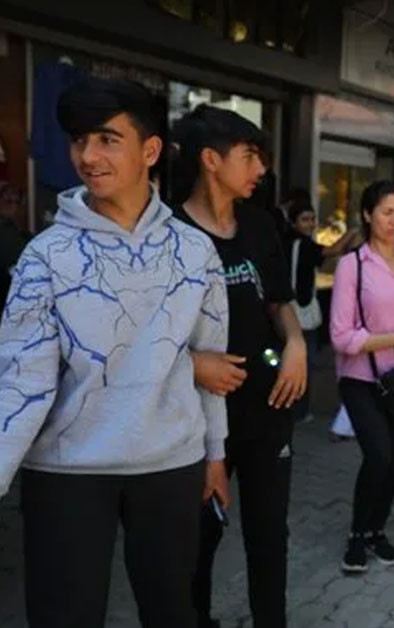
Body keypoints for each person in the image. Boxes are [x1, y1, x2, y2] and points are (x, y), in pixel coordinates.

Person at [0, 76, 229, 628]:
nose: (88, 156)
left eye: (107, 139)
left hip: (170, 465)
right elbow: (20, 380)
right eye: (79, 141)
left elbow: (211, 362)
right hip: (68, 472)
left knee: (172, 610)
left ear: (149, 151)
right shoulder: (45, 256)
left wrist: (215, 453)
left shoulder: (195, 252)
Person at [173, 105, 306, 628]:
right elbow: (145, 335)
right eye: (250, 156)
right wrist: (192, 363)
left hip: (268, 408)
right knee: (201, 534)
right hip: (200, 419)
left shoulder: (259, 223)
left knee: (270, 533)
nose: (260, 171)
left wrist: (295, 341)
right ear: (211, 159)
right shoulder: (172, 233)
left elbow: (278, 299)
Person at [329, 181, 394, 573]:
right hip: (361, 380)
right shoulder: (351, 265)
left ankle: (377, 531)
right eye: (386, 212)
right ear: (368, 214)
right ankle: (357, 535)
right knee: (378, 455)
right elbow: (341, 336)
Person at [285, 197, 358, 423]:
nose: (310, 224)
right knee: (304, 362)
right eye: (305, 219)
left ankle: (296, 409)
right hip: (299, 310)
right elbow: (332, 251)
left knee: (300, 360)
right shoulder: (302, 244)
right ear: (293, 222)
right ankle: (298, 411)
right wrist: (352, 232)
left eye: (312, 219)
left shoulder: (292, 242)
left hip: (291, 309)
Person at [0, 181, 30, 308]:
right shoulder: (6, 233)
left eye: (17, 202)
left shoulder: (25, 235)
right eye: (8, 201)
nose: (13, 207)